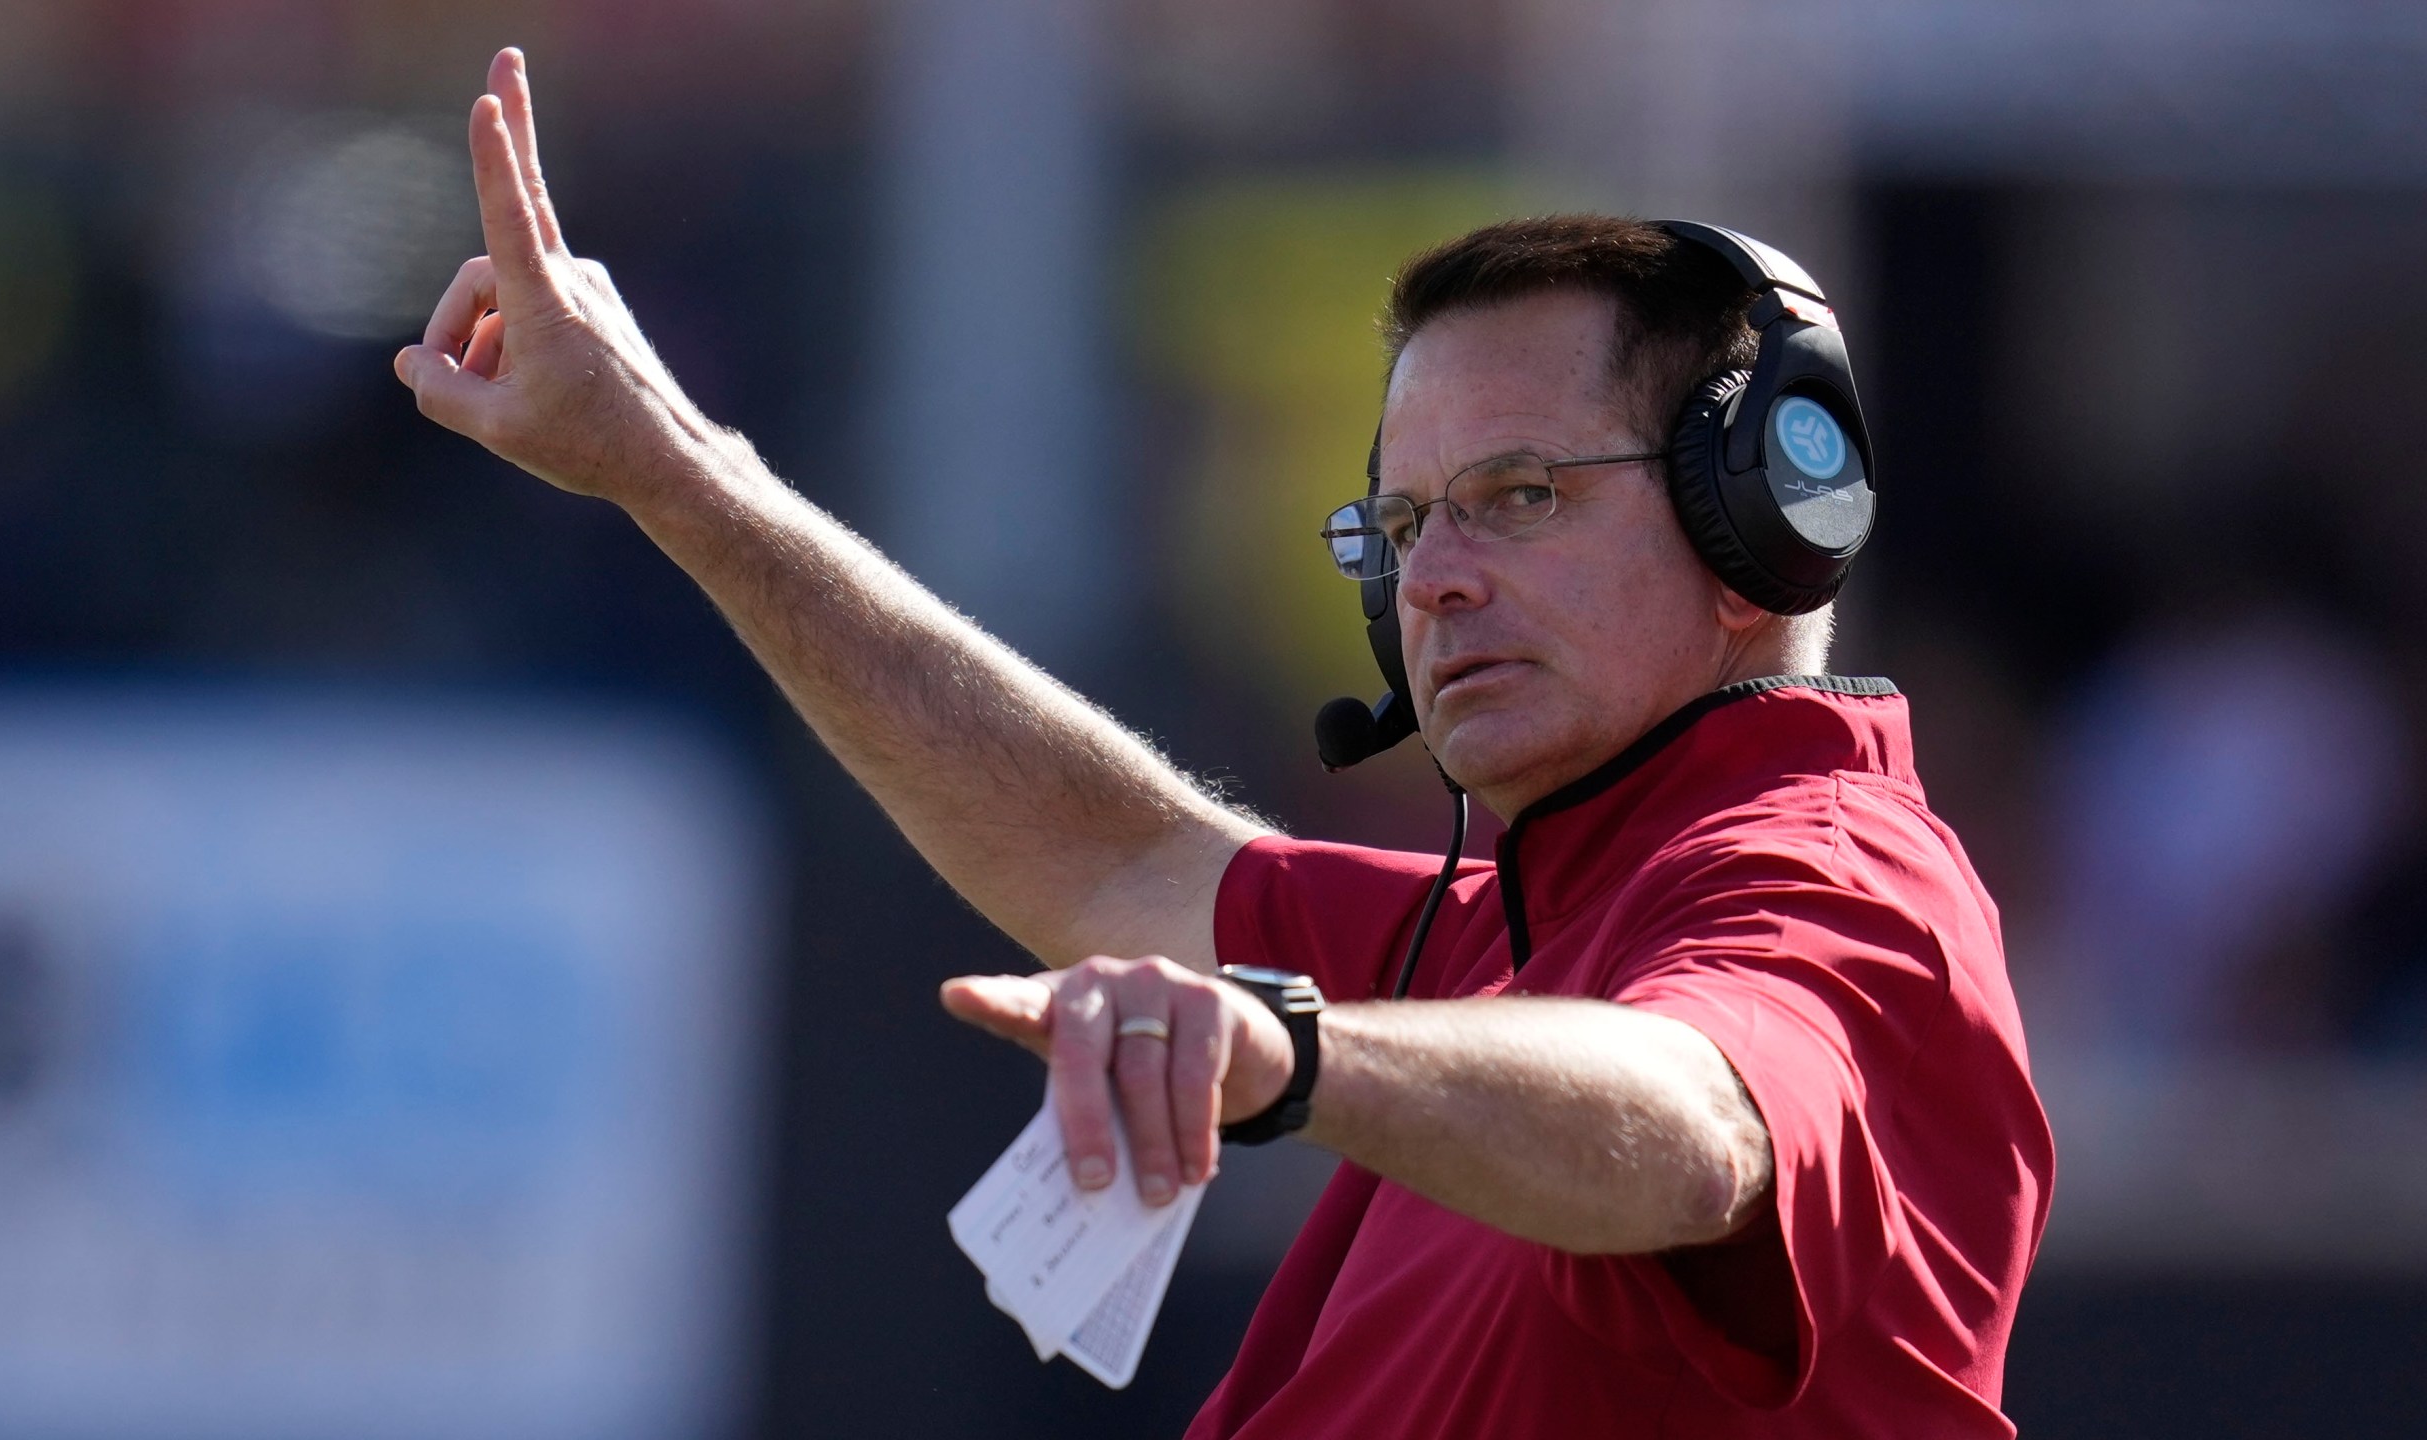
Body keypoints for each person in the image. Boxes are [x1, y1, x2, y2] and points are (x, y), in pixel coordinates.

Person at [397, 49, 2051, 1439]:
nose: (1437, 575)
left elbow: (1701, 1123)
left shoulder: (1836, 882)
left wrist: (1296, 1054)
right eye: (1403, 523)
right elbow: (1114, 856)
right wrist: (674, 466)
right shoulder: (1500, 940)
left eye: (1522, 495)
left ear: (1764, 517)